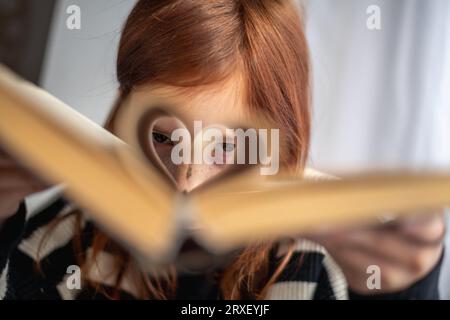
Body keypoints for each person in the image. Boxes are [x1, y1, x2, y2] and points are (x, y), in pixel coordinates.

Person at [0, 0, 444, 300]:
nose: (187, 183)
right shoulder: (60, 239)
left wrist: (406, 289)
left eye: (227, 147)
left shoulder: (321, 266)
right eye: (162, 138)